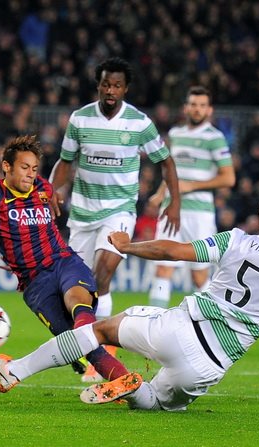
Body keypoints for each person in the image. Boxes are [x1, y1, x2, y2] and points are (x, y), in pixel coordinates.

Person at [0, 185, 259, 416]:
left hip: (179, 329)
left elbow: (175, 251)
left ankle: (15, 372)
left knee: (99, 330)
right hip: (207, 368)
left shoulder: (236, 240)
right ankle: (134, 389)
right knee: (156, 403)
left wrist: (128, 246)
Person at [0, 132, 129, 382]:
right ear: (6, 166)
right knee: (82, 344)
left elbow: (50, 191)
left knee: (80, 308)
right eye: (24, 167)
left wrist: (53, 197)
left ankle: (88, 357)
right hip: (36, 283)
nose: (31, 174)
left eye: (34, 168)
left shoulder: (42, 188)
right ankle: (125, 383)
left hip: (64, 263)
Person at [50, 57, 181, 381]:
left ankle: (103, 352)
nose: (111, 90)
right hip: (82, 214)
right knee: (77, 289)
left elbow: (166, 162)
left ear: (125, 89)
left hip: (119, 211)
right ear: (99, 85)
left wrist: (174, 202)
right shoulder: (80, 119)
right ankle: (84, 343)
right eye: (106, 84)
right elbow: (65, 161)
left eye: (117, 85)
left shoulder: (139, 123)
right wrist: (51, 192)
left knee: (103, 274)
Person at [147, 86, 236, 307]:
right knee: (163, 267)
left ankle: (207, 320)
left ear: (209, 110)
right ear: (186, 108)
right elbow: (171, 170)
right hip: (171, 209)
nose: (197, 109)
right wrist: (160, 193)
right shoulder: (176, 134)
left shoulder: (215, 138)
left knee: (199, 275)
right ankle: (153, 320)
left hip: (199, 214)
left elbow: (228, 178)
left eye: (202, 105)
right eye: (194, 104)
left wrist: (192, 186)